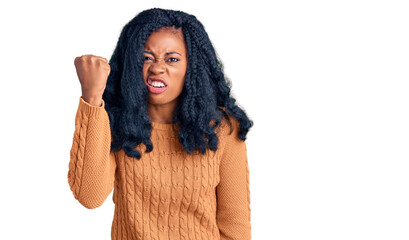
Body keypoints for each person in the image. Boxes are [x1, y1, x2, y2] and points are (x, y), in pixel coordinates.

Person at [68, 8, 253, 240]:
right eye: (146, 58)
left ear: (191, 67)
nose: (157, 68)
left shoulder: (223, 128)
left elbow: (235, 227)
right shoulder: (117, 122)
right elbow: (89, 196)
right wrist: (92, 98)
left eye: (172, 59)